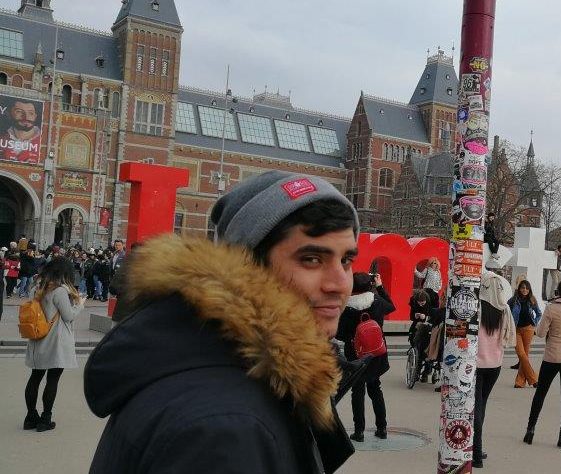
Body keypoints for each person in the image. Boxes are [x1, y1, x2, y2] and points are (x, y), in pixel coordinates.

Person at [85, 171, 359, 472]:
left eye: (346, 260)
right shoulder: (228, 429)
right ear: (248, 267)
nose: (339, 284)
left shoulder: (206, 359)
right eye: (312, 259)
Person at [524, 277, 561, 449]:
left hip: (552, 356)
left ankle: (530, 430)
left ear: (558, 291)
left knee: (540, 394)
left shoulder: (551, 308)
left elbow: (541, 333)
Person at [23, 257, 83, 431]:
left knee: (35, 377)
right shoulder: (59, 291)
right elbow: (68, 316)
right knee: (53, 379)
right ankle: (45, 418)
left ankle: (30, 417)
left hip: (37, 338)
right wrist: (80, 305)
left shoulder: (36, 287)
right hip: (55, 340)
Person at [338, 272, 394, 442]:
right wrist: (380, 286)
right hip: (376, 353)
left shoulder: (346, 308)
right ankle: (382, 428)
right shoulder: (377, 301)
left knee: (357, 392)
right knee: (375, 389)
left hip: (356, 355)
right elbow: (391, 307)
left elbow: (340, 334)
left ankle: (359, 431)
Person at [473, 269, 516, 468]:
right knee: (482, 404)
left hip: (476, 364)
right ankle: (477, 447)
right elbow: (507, 336)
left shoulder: (476, 307)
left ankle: (476, 453)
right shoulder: (503, 309)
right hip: (495, 365)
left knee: (476, 407)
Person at [509, 279, 542, 388]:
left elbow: (539, 313)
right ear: (519, 288)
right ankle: (534, 379)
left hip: (528, 329)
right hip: (516, 330)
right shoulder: (513, 300)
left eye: (527, 288)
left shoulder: (532, 299)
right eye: (523, 288)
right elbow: (506, 313)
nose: (525, 290)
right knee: (522, 354)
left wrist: (534, 323)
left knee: (525, 355)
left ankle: (520, 382)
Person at [408, 289, 434, 382]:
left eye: (422, 303)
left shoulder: (431, 304)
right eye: (419, 303)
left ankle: (426, 372)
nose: (420, 305)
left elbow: (434, 316)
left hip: (428, 327)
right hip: (417, 326)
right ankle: (417, 372)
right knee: (417, 348)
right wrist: (415, 316)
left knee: (427, 350)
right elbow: (411, 316)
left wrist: (426, 317)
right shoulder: (414, 303)